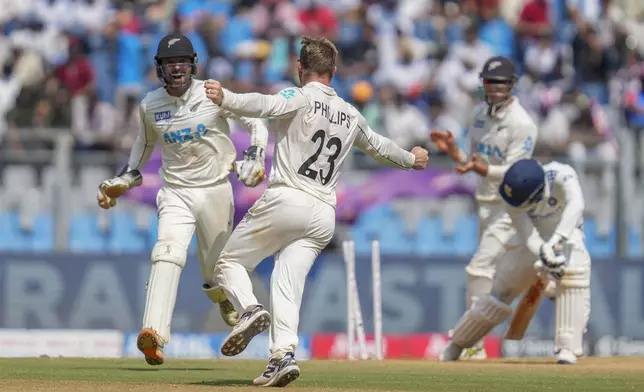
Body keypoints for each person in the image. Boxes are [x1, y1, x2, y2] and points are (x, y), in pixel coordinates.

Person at [202, 36, 429, 387]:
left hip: (288, 198)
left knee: (228, 264)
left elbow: (264, 104)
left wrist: (226, 97)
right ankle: (282, 356)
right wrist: (412, 159)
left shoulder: (299, 95)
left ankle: (249, 309)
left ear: (299, 68)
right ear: (334, 72)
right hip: (324, 213)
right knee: (286, 283)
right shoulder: (351, 113)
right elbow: (380, 148)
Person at [95, 33, 269, 366]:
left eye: (183, 63)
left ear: (193, 65)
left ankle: (222, 296)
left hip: (216, 189)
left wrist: (255, 155)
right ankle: (154, 334)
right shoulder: (150, 105)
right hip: (175, 192)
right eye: (171, 63)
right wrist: (121, 180)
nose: (177, 69)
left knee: (214, 268)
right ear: (159, 67)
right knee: (167, 253)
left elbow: (255, 120)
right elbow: (142, 150)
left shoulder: (212, 93)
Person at [430, 55, 539, 359]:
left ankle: (471, 345)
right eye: (490, 82)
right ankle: (550, 281)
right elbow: (471, 162)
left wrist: (482, 171)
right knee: (497, 275)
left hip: (510, 207)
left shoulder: (523, 124)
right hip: (486, 205)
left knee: (480, 269)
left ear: (512, 85)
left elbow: (517, 171)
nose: (494, 88)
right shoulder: (479, 115)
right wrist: (454, 151)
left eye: (501, 83)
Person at [440, 159, 591, 365]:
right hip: (530, 241)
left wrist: (556, 241)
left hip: (567, 235)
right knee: (499, 294)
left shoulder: (561, 174)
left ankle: (568, 348)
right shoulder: (513, 199)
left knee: (575, 271)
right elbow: (528, 234)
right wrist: (543, 252)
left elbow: (577, 205)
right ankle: (458, 343)